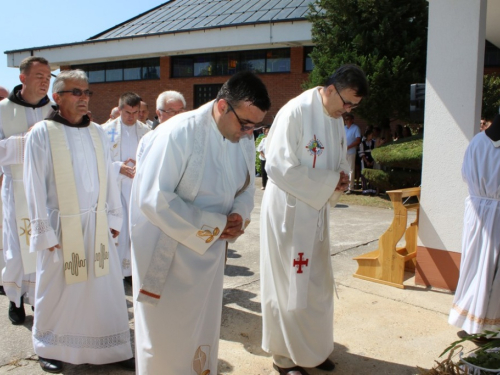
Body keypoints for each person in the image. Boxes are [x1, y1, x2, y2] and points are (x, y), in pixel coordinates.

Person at [130, 71, 270, 374]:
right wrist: (217, 225)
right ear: (222, 106)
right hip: (167, 252)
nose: (249, 133)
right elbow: (154, 198)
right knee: (167, 337)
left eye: (254, 127)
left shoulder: (241, 137)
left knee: (202, 330)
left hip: (209, 254)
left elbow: (247, 185)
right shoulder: (178, 132)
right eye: (245, 124)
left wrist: (238, 216)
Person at [23, 70, 134, 373]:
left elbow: (106, 177)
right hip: (62, 227)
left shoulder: (96, 131)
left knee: (104, 288)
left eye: (87, 92)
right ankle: (51, 347)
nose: (84, 98)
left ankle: (111, 347)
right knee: (58, 290)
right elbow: (32, 183)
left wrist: (113, 215)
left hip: (96, 225)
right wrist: (44, 231)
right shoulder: (42, 133)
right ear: (57, 98)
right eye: (76, 92)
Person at [260, 64, 368, 375]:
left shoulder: (334, 117)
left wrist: (340, 180)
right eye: (347, 103)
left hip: (316, 211)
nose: (348, 111)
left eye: (354, 107)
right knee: (288, 284)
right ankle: (285, 358)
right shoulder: (295, 111)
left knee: (316, 284)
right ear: (331, 89)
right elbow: (277, 167)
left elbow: (334, 162)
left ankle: (314, 349)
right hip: (289, 212)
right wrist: (327, 182)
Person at [0, 57, 53, 324]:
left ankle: (39, 300)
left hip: (48, 189)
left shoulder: (56, 110)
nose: (45, 81)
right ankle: (16, 299)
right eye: (39, 75)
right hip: (17, 187)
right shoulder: (2, 110)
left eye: (48, 77)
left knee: (44, 246)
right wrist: (26, 139)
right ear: (23, 78)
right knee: (17, 247)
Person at [448, 114, 500, 337]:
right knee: (489, 271)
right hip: (494, 214)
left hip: (477, 212)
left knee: (477, 266)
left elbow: (465, 175)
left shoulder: (477, 142)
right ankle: (485, 326)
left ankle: (473, 319)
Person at [103, 92, 150, 281]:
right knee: (118, 230)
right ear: (120, 109)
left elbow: (151, 158)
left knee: (136, 229)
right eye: (128, 112)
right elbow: (99, 160)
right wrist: (118, 167)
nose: (132, 117)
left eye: (136, 112)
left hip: (137, 188)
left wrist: (141, 166)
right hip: (115, 189)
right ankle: (116, 273)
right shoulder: (105, 131)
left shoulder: (146, 131)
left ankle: (131, 272)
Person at [136, 90, 186, 163]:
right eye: (171, 111)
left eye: (181, 111)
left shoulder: (190, 136)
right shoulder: (147, 140)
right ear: (159, 113)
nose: (177, 115)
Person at [343, 112, 361, 193]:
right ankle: (345, 186)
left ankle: (351, 187)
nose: (346, 121)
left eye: (348, 119)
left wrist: (348, 147)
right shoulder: (344, 128)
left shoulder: (356, 128)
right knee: (344, 168)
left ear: (352, 120)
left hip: (351, 151)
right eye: (345, 119)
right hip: (344, 152)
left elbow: (358, 140)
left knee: (351, 169)